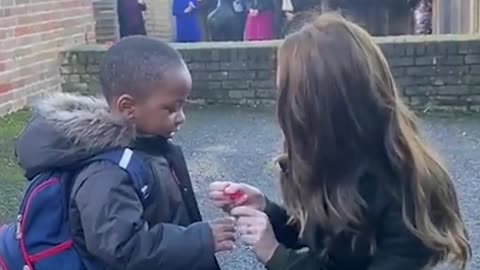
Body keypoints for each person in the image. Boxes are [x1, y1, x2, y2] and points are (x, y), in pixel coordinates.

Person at [209, 13, 471, 270]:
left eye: (288, 95)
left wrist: (276, 256)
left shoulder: (407, 193)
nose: (282, 109)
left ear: (323, 108)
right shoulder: (335, 159)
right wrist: (268, 211)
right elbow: (328, 239)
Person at [15, 36, 235, 270]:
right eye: (171, 108)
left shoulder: (149, 146)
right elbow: (122, 247)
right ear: (128, 108)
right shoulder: (106, 173)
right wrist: (200, 239)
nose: (181, 117)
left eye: (182, 106)